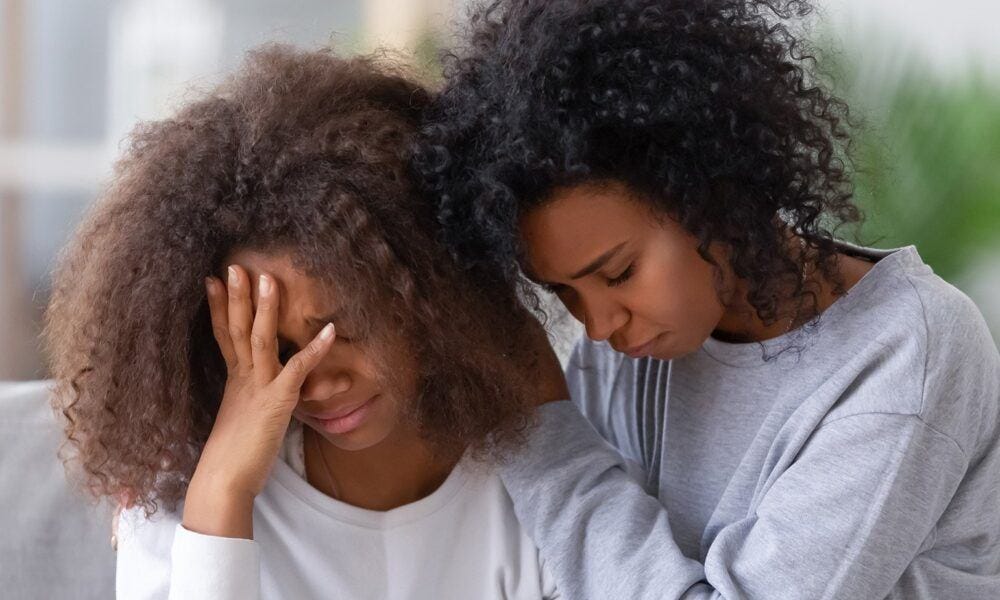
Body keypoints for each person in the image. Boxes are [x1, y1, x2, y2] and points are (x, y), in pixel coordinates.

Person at [416, 0, 1000, 597]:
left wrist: (544, 429)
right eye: (562, 291)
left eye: (619, 274)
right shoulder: (633, 345)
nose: (596, 326)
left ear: (709, 194)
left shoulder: (907, 355)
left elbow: (574, 524)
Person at [44, 45, 559, 599]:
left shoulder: (525, 490)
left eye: (343, 328)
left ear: (425, 292)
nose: (317, 382)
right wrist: (222, 494)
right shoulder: (182, 503)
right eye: (275, 352)